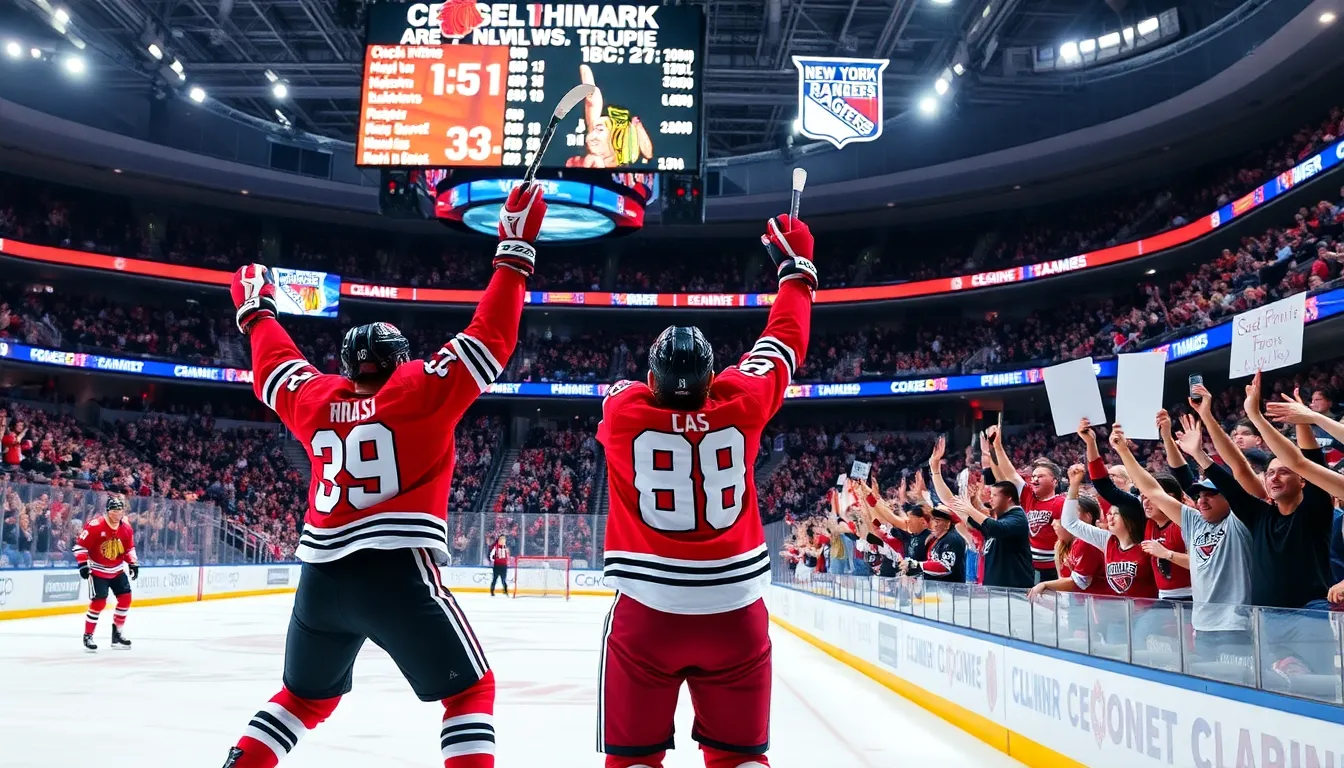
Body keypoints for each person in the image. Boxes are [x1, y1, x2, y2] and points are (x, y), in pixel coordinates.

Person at [220, 184, 548, 768]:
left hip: (319, 579)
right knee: (469, 693)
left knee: (301, 699)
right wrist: (514, 251)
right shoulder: (419, 388)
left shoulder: (316, 397)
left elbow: (275, 365)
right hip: (397, 571)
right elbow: (491, 336)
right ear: (399, 360)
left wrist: (257, 312)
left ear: (346, 367)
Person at [596, 212, 816, 768]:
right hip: (736, 613)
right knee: (739, 758)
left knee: (631, 760)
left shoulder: (624, 413)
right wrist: (797, 271)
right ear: (714, 375)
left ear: (652, 379)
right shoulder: (740, 400)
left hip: (647, 611)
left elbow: (624, 393)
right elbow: (782, 341)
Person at [986, 427, 1065, 581]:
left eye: (1040, 476)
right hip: (1028, 564)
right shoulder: (1028, 495)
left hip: (1053, 567)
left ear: (1054, 481)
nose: (1034, 479)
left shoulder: (1061, 502)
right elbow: (1010, 473)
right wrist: (998, 447)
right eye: (1033, 476)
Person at [74, 494, 139, 651]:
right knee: (99, 602)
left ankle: (117, 634)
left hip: (117, 570)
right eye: (115, 510)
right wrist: (83, 564)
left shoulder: (126, 528)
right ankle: (88, 635)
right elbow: (80, 546)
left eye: (121, 510)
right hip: (97, 570)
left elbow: (129, 548)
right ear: (108, 511)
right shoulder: (95, 525)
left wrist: (133, 563)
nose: (119, 513)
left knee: (125, 599)